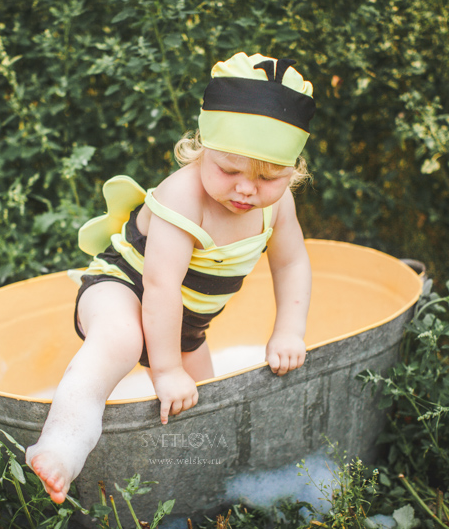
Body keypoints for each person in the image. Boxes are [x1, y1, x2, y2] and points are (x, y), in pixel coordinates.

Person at [26, 52, 316, 504]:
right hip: (125, 286)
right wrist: (165, 369)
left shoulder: (277, 207)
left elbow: (292, 262)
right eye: (229, 170)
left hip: (184, 323)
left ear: (292, 170)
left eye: (269, 177)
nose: (246, 188)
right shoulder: (184, 195)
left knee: (206, 402)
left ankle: (197, 492)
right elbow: (160, 286)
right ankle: (61, 446)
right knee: (121, 340)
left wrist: (289, 331)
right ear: (201, 149)